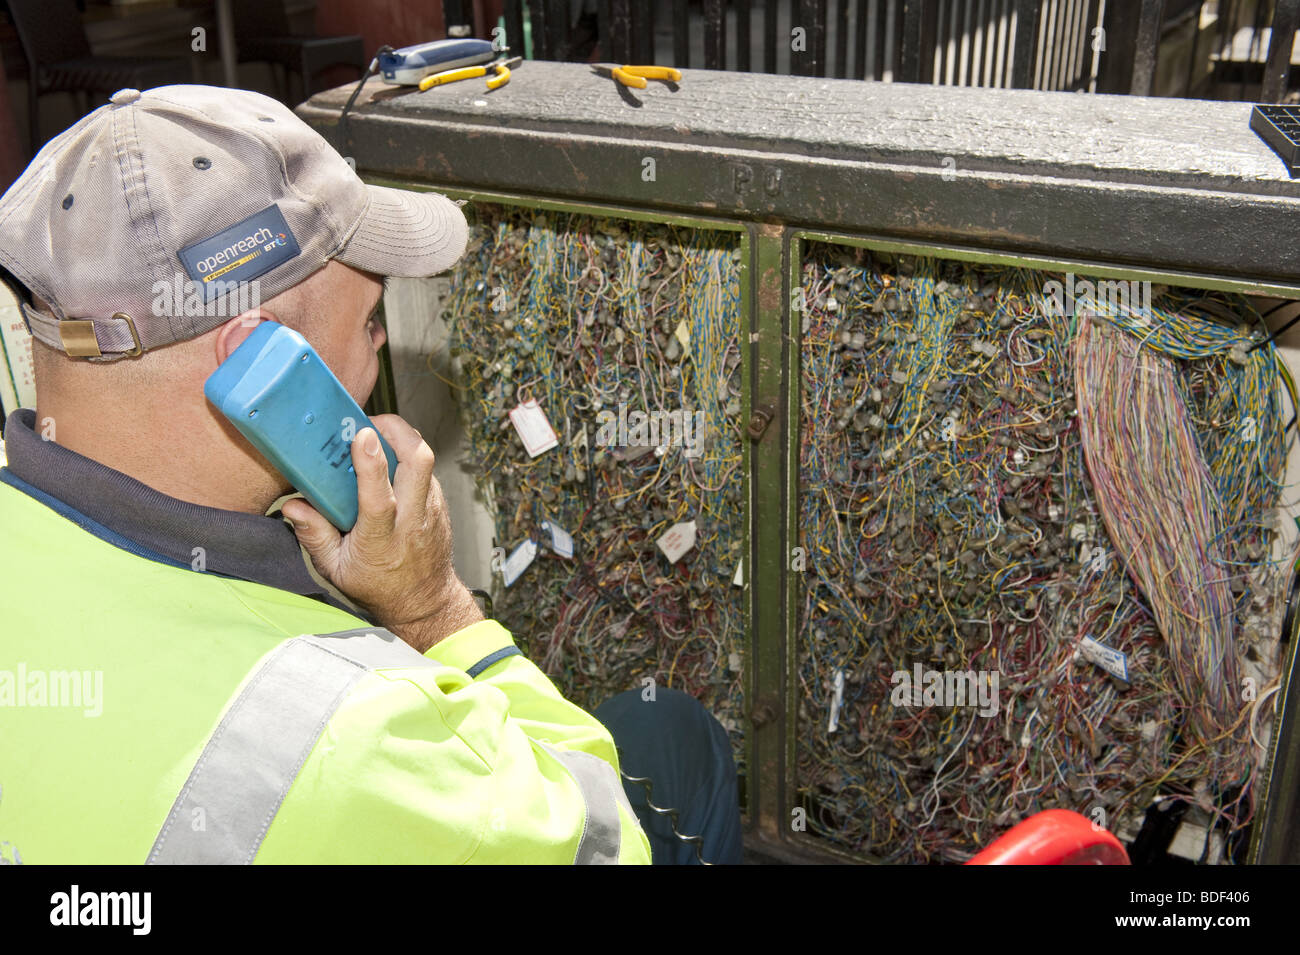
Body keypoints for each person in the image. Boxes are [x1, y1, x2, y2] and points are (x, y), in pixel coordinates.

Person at [0, 84, 738, 864]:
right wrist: (429, 611)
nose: (379, 348)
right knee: (672, 737)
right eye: (371, 322)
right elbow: (605, 842)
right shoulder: (348, 732)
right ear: (256, 362)